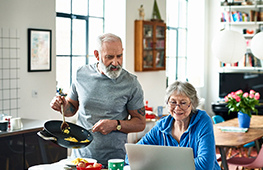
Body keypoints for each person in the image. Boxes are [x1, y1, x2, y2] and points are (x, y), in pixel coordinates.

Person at [50, 33, 146, 167]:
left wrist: (115, 124)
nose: (115, 62)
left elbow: (140, 123)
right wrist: (62, 105)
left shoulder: (131, 83)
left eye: (119, 56)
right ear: (96, 55)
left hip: (114, 160)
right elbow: (71, 109)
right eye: (109, 57)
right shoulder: (81, 74)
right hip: (81, 159)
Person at [125, 81, 221, 170]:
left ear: (193, 104)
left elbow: (205, 164)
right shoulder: (162, 126)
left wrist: (162, 164)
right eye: (173, 102)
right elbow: (131, 157)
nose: (177, 108)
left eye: (183, 103)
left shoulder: (202, 121)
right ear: (167, 103)